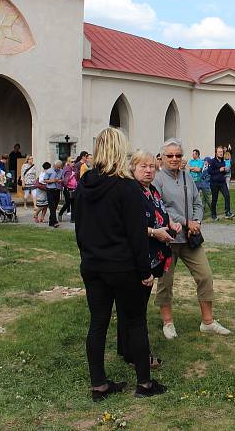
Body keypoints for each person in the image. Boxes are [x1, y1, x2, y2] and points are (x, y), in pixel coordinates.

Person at [75, 127, 166, 400]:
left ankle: (99, 384)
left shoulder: (84, 185)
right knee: (136, 321)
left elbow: (80, 230)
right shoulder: (127, 188)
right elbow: (136, 235)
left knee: (98, 324)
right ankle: (144, 384)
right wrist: (145, 271)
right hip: (123, 266)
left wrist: (89, 256)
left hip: (93, 265)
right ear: (119, 151)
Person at [154, 139, 231, 339]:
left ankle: (207, 321)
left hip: (190, 238)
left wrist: (195, 222)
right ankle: (168, 322)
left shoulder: (188, 177)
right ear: (162, 157)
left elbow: (197, 202)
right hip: (168, 239)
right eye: (169, 156)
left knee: (205, 275)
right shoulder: (157, 180)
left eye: (178, 155)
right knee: (165, 282)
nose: (174, 159)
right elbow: (162, 208)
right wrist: (187, 221)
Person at [121, 150, 180, 370]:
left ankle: (127, 349)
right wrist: (155, 233)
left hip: (152, 258)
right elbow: (128, 226)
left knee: (136, 307)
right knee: (134, 311)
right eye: (143, 166)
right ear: (133, 168)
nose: (148, 170)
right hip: (137, 259)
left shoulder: (151, 190)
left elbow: (159, 213)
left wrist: (171, 223)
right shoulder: (132, 191)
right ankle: (136, 354)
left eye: (151, 167)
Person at [205, 146, 234, 221]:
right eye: (219, 152)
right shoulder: (212, 161)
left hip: (222, 182)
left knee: (227, 195)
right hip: (214, 183)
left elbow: (223, 172)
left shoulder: (223, 161)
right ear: (216, 153)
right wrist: (219, 170)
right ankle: (213, 215)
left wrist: (225, 170)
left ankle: (227, 212)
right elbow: (209, 172)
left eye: (222, 152)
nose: (221, 153)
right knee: (215, 199)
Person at [44, 160, 64, 227]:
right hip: (50, 190)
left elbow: (62, 179)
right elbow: (45, 180)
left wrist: (60, 180)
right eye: (57, 167)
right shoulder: (49, 171)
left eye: (59, 167)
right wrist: (53, 180)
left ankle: (51, 221)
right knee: (52, 206)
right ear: (54, 166)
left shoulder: (61, 171)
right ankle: (55, 222)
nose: (58, 168)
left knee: (55, 206)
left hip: (57, 189)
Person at [58, 156, 78, 223]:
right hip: (67, 189)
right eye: (72, 162)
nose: (73, 163)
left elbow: (77, 178)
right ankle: (60, 213)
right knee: (67, 203)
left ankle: (73, 219)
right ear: (68, 162)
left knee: (73, 203)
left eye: (74, 162)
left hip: (74, 188)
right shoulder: (66, 169)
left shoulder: (75, 169)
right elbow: (65, 180)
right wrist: (72, 175)